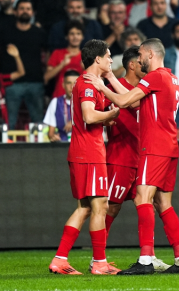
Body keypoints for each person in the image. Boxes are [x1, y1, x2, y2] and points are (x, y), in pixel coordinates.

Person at [84, 38, 179, 275]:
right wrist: (111, 78)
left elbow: (123, 101)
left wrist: (101, 86)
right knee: (163, 203)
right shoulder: (171, 79)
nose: (139, 58)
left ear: (151, 55)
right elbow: (134, 103)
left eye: (141, 54)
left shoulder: (154, 77)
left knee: (143, 199)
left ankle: (145, 260)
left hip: (153, 148)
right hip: (170, 147)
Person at [48, 39, 121, 276]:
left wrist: (106, 115)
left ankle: (60, 259)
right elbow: (89, 116)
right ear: (97, 59)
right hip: (89, 153)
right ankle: (98, 262)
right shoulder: (88, 85)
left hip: (86, 151)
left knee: (86, 207)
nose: (111, 60)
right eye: (108, 56)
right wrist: (113, 113)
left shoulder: (90, 83)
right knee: (99, 205)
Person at [104, 45, 169, 272]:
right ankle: (99, 258)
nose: (144, 64)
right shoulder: (116, 87)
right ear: (132, 64)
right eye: (140, 60)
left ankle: (148, 256)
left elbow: (131, 103)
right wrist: (106, 120)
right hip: (121, 156)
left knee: (148, 204)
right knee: (111, 207)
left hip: (143, 157)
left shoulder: (148, 87)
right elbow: (100, 111)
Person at [0, 0, 47, 129]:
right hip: (11, 83)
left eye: (28, 9)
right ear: (15, 12)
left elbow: (47, 54)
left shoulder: (39, 32)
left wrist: (45, 74)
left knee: (38, 123)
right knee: (8, 122)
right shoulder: (5, 31)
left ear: (33, 13)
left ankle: (41, 150)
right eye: (22, 8)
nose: (25, 11)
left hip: (35, 82)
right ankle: (6, 149)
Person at [45, 21, 84, 98]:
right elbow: (46, 77)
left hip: (81, 99)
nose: (75, 37)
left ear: (82, 37)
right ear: (66, 36)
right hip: (59, 97)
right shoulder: (57, 53)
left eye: (78, 34)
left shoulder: (87, 55)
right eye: (72, 34)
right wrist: (62, 64)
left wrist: (86, 68)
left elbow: (100, 80)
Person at [43, 70, 78, 142]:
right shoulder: (55, 102)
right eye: (69, 83)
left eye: (75, 83)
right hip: (63, 145)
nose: (72, 86)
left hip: (82, 146)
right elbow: (50, 134)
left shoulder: (87, 102)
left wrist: (74, 121)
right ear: (63, 85)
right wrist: (53, 137)